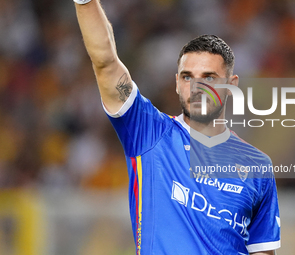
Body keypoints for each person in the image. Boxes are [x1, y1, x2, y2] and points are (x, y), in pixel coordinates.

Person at [74, 0, 281, 254]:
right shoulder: (150, 133)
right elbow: (106, 62)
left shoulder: (257, 166)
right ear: (176, 83)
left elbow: (263, 252)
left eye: (209, 78)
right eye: (187, 77)